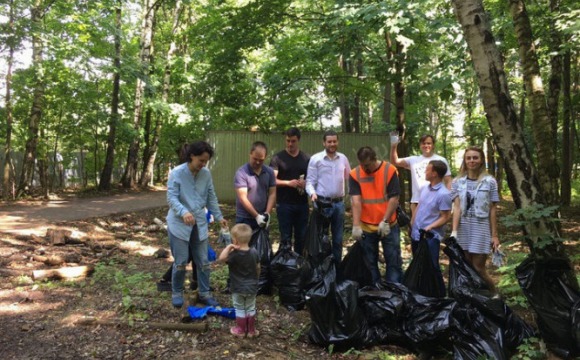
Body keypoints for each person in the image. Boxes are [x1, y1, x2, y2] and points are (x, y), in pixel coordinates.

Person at [166, 141, 227, 308]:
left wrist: (218, 216)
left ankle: (204, 293)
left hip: (199, 221)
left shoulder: (206, 174)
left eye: (205, 161)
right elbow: (171, 198)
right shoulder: (177, 173)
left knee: (203, 260)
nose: (203, 164)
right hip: (178, 223)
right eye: (201, 160)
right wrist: (183, 211)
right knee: (181, 261)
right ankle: (177, 291)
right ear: (192, 156)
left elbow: (211, 196)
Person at [349, 146, 402, 284]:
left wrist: (384, 221)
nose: (364, 168)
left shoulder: (389, 171)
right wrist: (356, 225)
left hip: (388, 225)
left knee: (393, 262)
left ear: (374, 159)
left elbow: (394, 198)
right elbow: (356, 201)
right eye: (361, 164)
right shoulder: (355, 174)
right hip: (366, 226)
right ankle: (375, 292)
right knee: (370, 263)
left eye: (367, 165)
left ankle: (394, 292)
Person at [450, 146, 500, 293]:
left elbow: (492, 209)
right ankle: (473, 297)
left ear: (481, 160)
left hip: (481, 226)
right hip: (463, 227)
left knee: (478, 267)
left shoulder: (490, 181)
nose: (472, 161)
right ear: (465, 161)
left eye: (475, 157)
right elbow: (457, 207)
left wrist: (495, 235)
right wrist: (454, 232)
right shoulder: (457, 182)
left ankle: (494, 295)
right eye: (469, 158)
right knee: (465, 266)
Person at [306, 130, 351, 264]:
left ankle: (336, 270)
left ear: (338, 142)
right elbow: (309, 181)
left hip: (339, 204)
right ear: (324, 143)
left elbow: (350, 178)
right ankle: (321, 269)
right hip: (322, 204)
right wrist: (312, 194)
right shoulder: (316, 159)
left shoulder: (343, 158)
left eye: (334, 141)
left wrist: (352, 197)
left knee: (337, 240)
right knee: (320, 239)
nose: (332, 144)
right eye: (329, 141)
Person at [410, 160, 452, 294]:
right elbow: (419, 206)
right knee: (418, 264)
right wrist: (412, 223)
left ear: (434, 173)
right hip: (416, 234)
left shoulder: (444, 194)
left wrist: (430, 227)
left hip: (430, 237)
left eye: (427, 170)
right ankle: (420, 292)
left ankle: (436, 294)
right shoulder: (424, 188)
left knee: (431, 266)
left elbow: (446, 216)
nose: (425, 172)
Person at [269, 127, 310, 255]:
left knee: (301, 238)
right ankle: (285, 266)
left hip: (302, 204)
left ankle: (298, 266)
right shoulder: (277, 158)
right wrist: (288, 183)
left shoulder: (306, 158)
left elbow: (313, 180)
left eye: (293, 141)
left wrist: (306, 183)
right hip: (284, 204)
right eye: (288, 141)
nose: (290, 144)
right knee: (285, 237)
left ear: (298, 140)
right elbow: (272, 181)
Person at [390, 134, 452, 214]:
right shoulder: (413, 160)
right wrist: (393, 146)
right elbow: (395, 162)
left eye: (429, 143)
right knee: (416, 226)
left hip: (436, 201)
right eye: (424, 143)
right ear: (420, 145)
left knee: (435, 226)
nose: (426, 145)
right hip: (417, 201)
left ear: (433, 145)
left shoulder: (441, 160)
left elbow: (448, 181)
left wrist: (447, 199)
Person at [218, 223, 260, 338]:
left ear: (235, 240)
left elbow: (221, 258)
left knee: (240, 308)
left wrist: (229, 247)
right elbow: (258, 267)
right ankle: (251, 331)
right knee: (251, 307)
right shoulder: (254, 252)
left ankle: (241, 330)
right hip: (252, 286)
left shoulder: (233, 255)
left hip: (237, 287)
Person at [234, 141, 277, 230]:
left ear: (265, 157)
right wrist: (256, 216)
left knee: (262, 243)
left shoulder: (269, 172)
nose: (257, 162)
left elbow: (272, 193)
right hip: (244, 218)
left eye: (261, 160)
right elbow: (243, 197)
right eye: (255, 158)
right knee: (243, 244)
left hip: (263, 216)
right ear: (250, 154)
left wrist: (267, 214)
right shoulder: (242, 173)